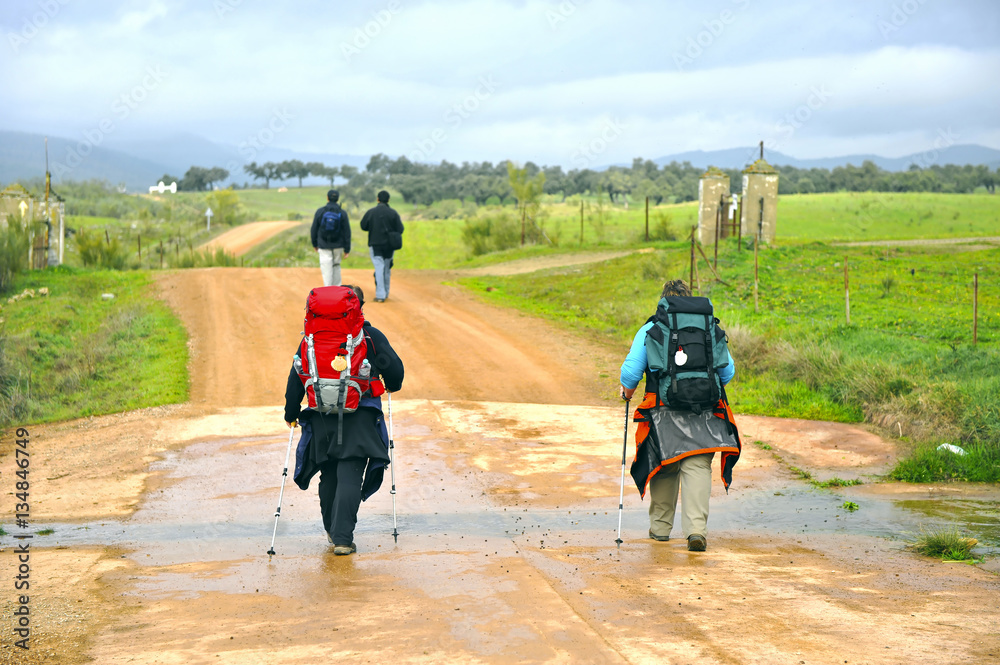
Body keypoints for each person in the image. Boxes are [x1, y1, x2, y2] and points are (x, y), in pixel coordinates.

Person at [619, 279, 741, 552]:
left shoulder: (652, 328)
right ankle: (696, 531)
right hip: (705, 412)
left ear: (664, 301)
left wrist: (626, 393)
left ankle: (661, 529)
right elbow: (728, 372)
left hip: (662, 414)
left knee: (665, 465)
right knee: (697, 465)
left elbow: (630, 374)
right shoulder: (710, 327)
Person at [284, 285, 404, 555]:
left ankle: (331, 529)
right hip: (359, 417)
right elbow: (395, 370)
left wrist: (290, 412)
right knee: (350, 472)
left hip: (321, 416)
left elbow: (297, 375)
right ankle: (342, 539)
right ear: (359, 307)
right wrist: (390, 384)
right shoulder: (370, 336)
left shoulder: (311, 337)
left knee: (328, 473)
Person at [359, 190, 403, 302]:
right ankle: (386, 292)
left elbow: (363, 226)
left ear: (377, 199)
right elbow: (400, 229)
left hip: (375, 244)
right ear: (388, 199)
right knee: (387, 268)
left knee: (379, 267)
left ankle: (380, 295)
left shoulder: (371, 212)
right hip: (389, 246)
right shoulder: (393, 213)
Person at [311, 189, 351, 286]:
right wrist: (347, 248)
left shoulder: (320, 211)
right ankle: (337, 290)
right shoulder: (342, 213)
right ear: (337, 199)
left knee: (326, 268)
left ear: (327, 198)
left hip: (324, 244)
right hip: (338, 245)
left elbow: (314, 228)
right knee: (336, 266)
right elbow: (347, 231)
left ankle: (328, 290)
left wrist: (314, 243)